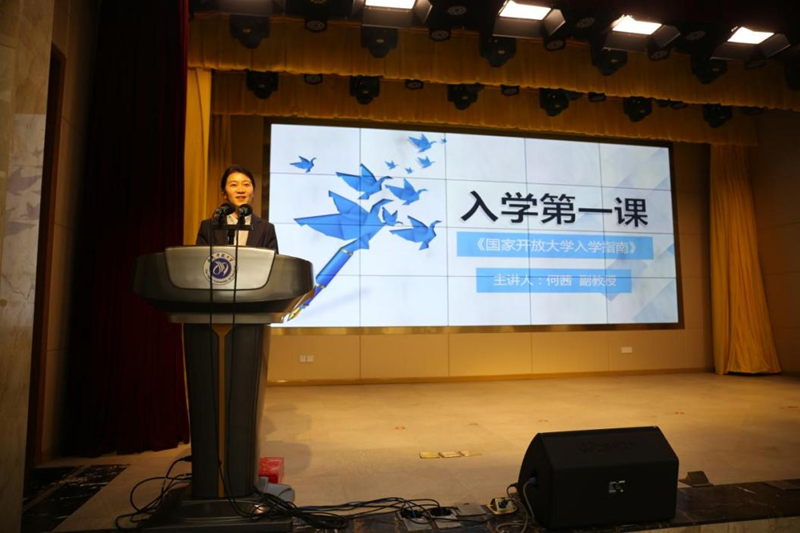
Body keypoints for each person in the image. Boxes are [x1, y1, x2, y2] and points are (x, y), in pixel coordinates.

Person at [195, 164, 279, 252]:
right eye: (234, 185)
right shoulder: (208, 226)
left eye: (246, 184)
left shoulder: (267, 229)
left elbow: (273, 260)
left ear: (253, 192)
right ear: (224, 193)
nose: (240, 190)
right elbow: (200, 258)